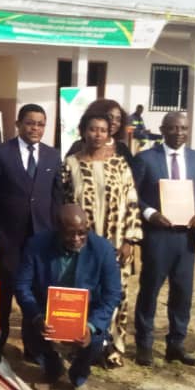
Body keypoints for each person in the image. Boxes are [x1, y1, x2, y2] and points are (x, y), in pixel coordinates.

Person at [14, 205, 122, 390]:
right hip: (46, 311)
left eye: (82, 233)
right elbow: (22, 285)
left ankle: (78, 376)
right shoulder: (37, 245)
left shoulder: (103, 249)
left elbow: (113, 294)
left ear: (88, 227)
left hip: (86, 314)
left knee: (95, 340)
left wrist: (91, 326)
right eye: (70, 233)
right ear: (57, 228)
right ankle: (53, 369)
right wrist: (37, 316)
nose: (76, 239)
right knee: (31, 334)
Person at [0, 104, 61, 365]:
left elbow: (56, 199)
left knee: (36, 294)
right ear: (18, 124)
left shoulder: (52, 156)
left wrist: (56, 235)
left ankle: (33, 347)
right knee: (4, 295)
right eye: (30, 123)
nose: (35, 128)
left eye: (40, 124)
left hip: (41, 240)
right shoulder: (1, 153)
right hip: (8, 239)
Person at [60, 112, 142, 367]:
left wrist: (130, 240)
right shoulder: (70, 164)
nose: (97, 135)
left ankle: (112, 348)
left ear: (109, 134)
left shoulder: (120, 164)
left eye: (103, 130)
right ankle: (80, 347)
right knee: (82, 291)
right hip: (82, 244)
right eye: (93, 129)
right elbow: (64, 204)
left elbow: (132, 202)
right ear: (83, 131)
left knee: (114, 293)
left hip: (115, 243)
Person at [131, 112, 195, 367]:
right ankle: (144, 345)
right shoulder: (146, 159)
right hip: (158, 236)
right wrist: (150, 213)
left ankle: (176, 344)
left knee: (182, 293)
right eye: (174, 128)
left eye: (184, 128)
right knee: (150, 291)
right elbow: (132, 194)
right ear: (163, 130)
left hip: (186, 237)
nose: (179, 133)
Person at [66, 99, 133, 161]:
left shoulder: (122, 148)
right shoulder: (79, 146)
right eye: (110, 117)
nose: (114, 122)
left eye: (118, 119)